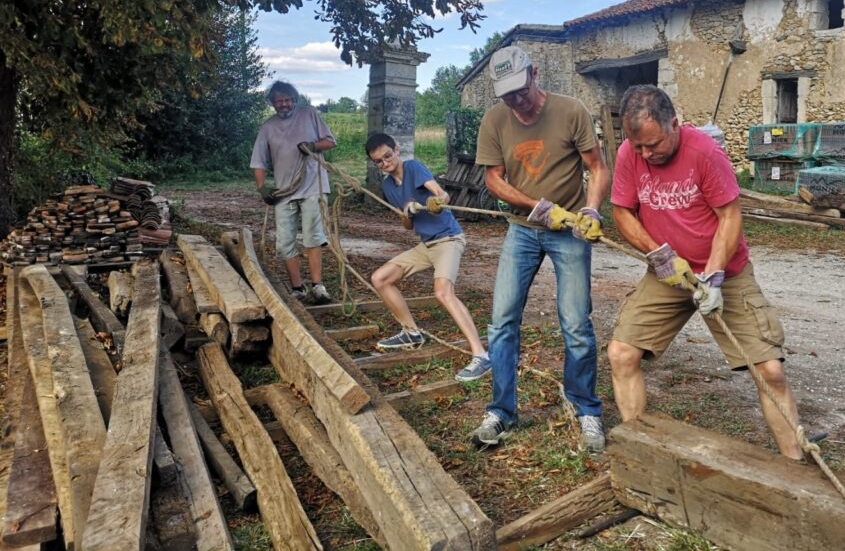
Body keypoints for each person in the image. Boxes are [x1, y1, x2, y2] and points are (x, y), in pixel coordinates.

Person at [607, 84, 805, 461]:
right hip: (667, 274)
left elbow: (729, 216)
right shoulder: (630, 154)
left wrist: (713, 276)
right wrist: (659, 255)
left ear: (675, 124)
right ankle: (640, 456)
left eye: (654, 145)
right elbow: (622, 212)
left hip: (724, 273)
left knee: (769, 371)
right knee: (621, 354)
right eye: (639, 148)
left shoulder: (705, 152)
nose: (646, 155)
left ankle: (796, 466)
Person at [470, 46, 610, 453]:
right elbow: (493, 180)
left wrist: (590, 210)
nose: (516, 101)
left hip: (569, 233)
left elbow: (597, 168)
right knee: (501, 322)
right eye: (506, 95)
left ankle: (586, 410)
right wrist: (535, 207)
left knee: (576, 325)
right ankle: (501, 411)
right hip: (522, 229)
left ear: (534, 74)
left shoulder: (571, 111)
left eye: (520, 90)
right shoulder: (495, 121)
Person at [364, 133, 492, 382]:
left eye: (387, 156)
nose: (385, 163)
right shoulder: (388, 186)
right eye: (378, 161)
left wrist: (434, 202)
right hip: (426, 245)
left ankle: (481, 356)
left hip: (448, 239)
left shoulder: (413, 168)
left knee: (443, 291)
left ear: (397, 150)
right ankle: (412, 332)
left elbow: (442, 195)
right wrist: (407, 211)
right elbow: (406, 226)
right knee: (380, 278)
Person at [250, 81, 336, 305]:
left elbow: (330, 142)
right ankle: (297, 288)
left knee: (313, 236)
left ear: (294, 100)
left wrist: (313, 146)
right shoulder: (267, 127)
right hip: (283, 192)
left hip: (312, 187)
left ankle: (318, 286)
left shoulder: (309, 115)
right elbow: (258, 161)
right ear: (272, 103)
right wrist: (262, 189)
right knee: (285, 241)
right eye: (278, 101)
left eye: (287, 100)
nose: (283, 104)